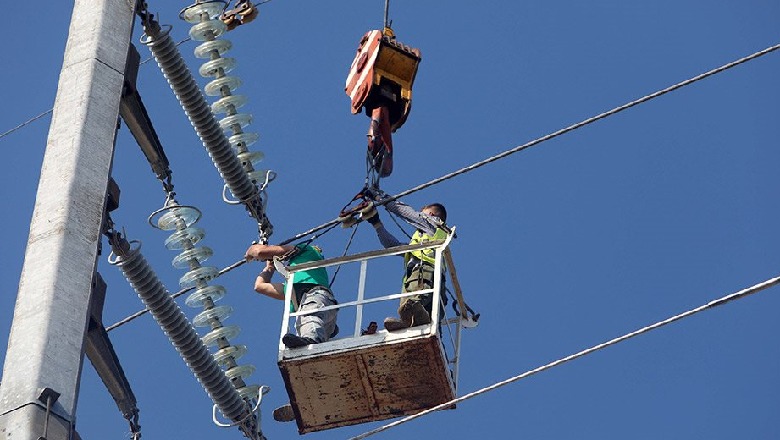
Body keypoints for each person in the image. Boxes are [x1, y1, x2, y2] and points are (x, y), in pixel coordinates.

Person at [363, 192, 450, 331]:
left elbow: (405, 212)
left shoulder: (434, 225)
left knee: (413, 302)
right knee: (419, 308)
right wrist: (377, 223)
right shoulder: (421, 241)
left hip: (424, 273)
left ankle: (411, 318)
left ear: (431, 215)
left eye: (423, 213)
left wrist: (379, 197)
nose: (419, 216)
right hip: (423, 280)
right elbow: (393, 246)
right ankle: (411, 321)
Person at [245, 242, 338, 348]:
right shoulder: (291, 288)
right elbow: (259, 286)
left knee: (309, 317)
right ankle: (321, 334)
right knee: (306, 322)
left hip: (317, 298)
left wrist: (252, 249)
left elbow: (260, 252)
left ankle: (312, 340)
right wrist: (270, 268)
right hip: (320, 308)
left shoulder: (307, 250)